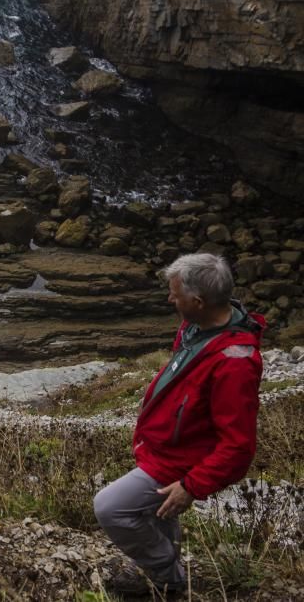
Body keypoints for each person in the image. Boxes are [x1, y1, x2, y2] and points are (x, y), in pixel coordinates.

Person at [94, 253, 265, 597]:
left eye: (175, 295)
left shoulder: (235, 364)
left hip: (179, 460)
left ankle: (167, 578)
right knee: (157, 513)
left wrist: (191, 485)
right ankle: (167, 571)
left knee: (110, 507)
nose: (170, 299)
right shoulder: (196, 327)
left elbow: (238, 447)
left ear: (198, 301)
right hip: (164, 447)